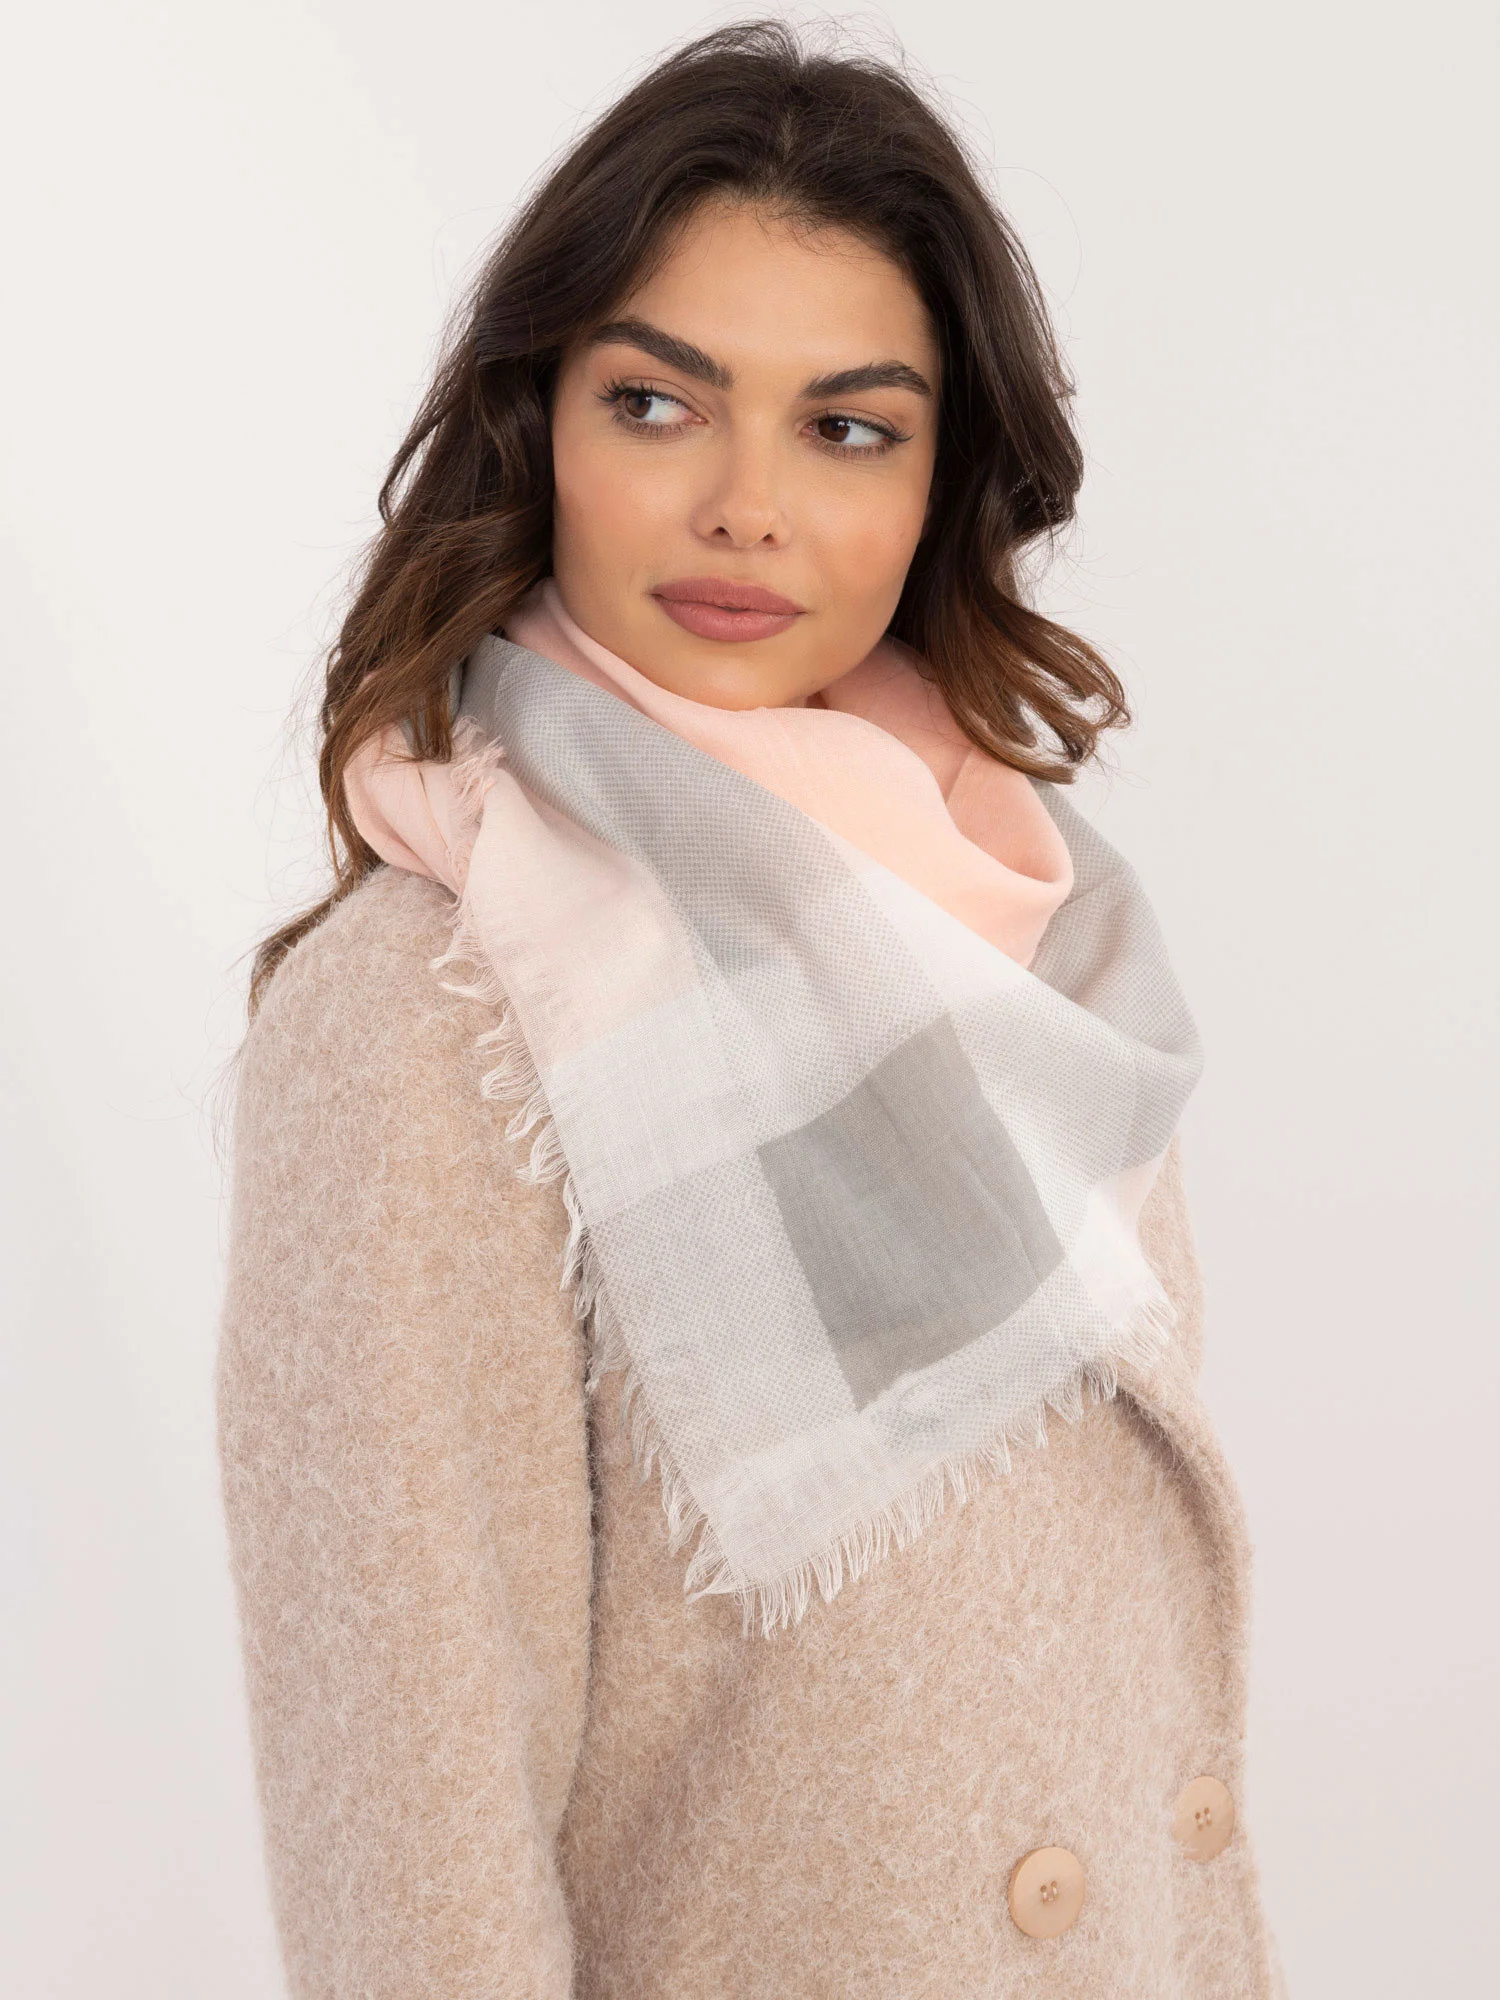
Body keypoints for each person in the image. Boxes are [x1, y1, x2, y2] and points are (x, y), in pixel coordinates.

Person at [217, 20, 1286, 1997]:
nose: (744, 506)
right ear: (538, 428)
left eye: (847, 429)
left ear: (945, 480)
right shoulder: (426, 1021)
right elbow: (414, 1870)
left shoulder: (1031, 936)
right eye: (657, 405)